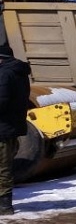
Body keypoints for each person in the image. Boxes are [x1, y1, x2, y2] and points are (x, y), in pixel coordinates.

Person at [0, 42, 32, 215]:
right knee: (5, 167)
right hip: (12, 127)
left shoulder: (4, 74)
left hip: (2, 129)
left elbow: (2, 101)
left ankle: (4, 206)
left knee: (2, 169)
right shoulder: (19, 73)